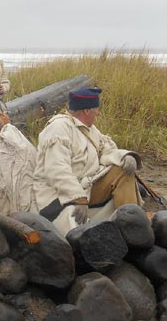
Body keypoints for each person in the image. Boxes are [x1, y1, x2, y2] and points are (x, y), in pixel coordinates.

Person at [33, 87, 141, 236]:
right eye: (96, 109)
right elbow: (57, 169)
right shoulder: (58, 129)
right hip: (59, 193)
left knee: (123, 172)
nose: (98, 113)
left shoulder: (89, 129)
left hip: (86, 187)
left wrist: (125, 156)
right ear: (86, 111)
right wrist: (78, 198)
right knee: (76, 232)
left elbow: (106, 149)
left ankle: (131, 225)